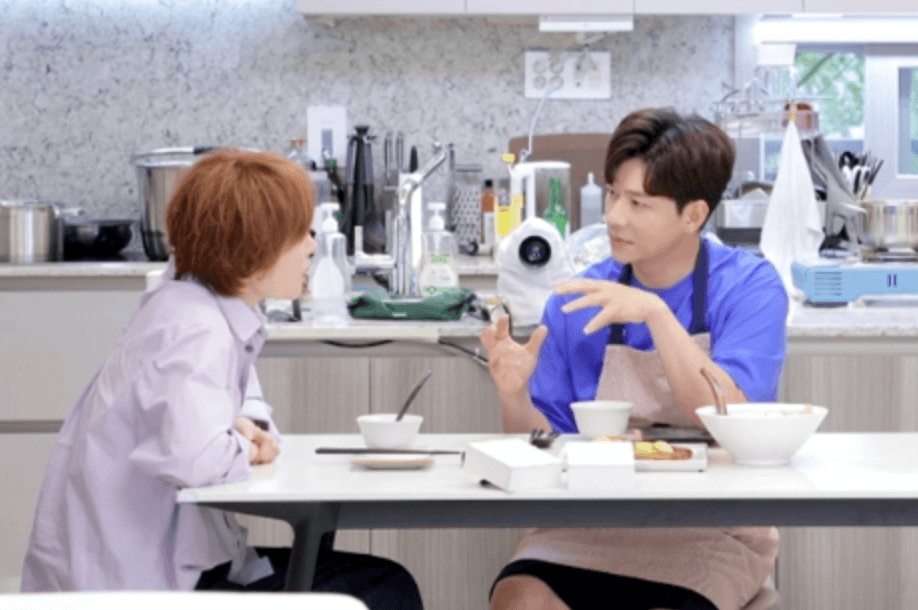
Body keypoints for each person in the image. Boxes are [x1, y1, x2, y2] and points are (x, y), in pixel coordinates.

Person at [21, 148, 424, 609]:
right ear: (253, 248)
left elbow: (239, 411)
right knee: (386, 589)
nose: (312, 246)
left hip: (142, 568)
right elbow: (195, 457)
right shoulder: (195, 328)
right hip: (141, 586)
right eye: (299, 234)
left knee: (375, 579)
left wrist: (245, 430)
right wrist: (245, 446)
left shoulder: (192, 309)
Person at [481, 109, 788, 610]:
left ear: (693, 215)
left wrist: (657, 315)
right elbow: (544, 448)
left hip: (711, 530)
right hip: (587, 521)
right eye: (612, 194)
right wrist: (514, 397)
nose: (614, 216)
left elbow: (733, 418)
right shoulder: (577, 301)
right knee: (519, 600)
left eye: (638, 203)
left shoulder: (749, 287)